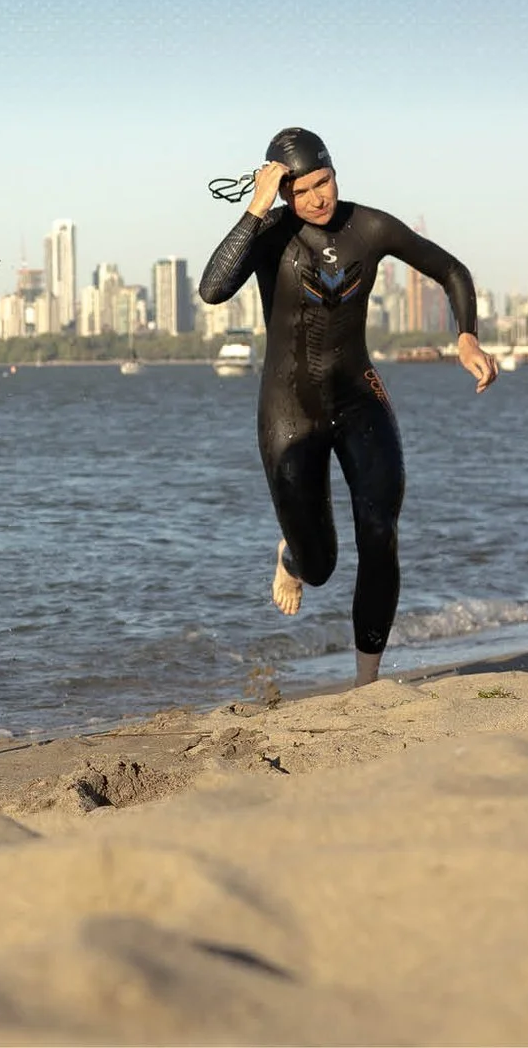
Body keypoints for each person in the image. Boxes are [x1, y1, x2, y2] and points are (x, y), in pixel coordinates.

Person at [197, 128, 497, 686]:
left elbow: (451, 270)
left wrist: (467, 336)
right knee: (320, 566)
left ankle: (367, 683)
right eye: (304, 190)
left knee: (379, 531)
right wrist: (256, 210)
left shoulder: (369, 226)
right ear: (283, 191)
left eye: (325, 181)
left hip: (359, 396)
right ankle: (291, 555)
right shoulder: (270, 232)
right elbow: (213, 290)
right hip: (290, 410)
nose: (319, 198)